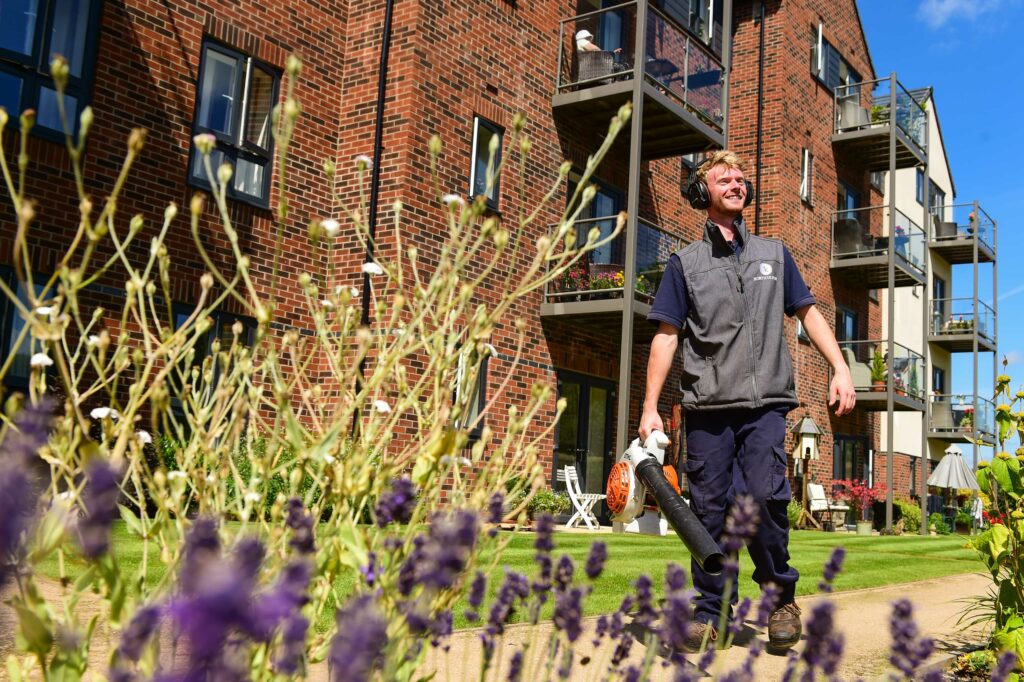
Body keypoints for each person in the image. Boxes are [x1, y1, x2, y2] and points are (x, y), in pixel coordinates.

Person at [640, 150, 856, 652]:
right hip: (709, 407)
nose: (736, 183)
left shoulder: (774, 255)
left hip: (765, 406)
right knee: (709, 510)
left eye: (740, 178)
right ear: (702, 193)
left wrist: (840, 368)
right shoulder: (685, 264)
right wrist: (651, 406)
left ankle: (780, 597)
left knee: (761, 498)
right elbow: (667, 336)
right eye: (723, 178)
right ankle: (711, 610)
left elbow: (808, 313)